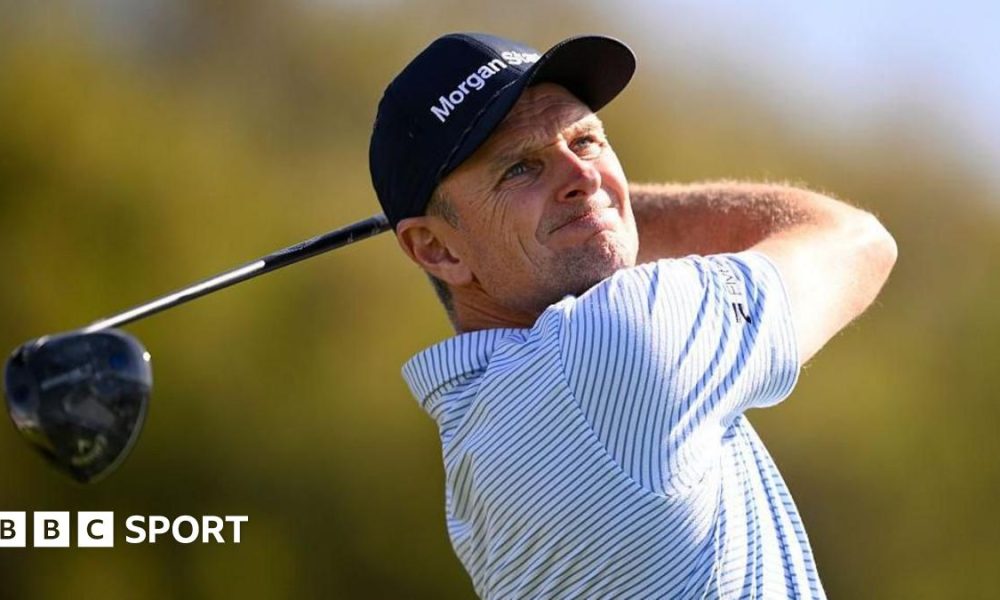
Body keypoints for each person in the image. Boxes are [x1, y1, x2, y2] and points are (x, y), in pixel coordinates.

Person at [369, 32, 896, 599]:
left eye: (587, 141)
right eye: (520, 168)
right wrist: (608, 205)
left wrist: (573, 205)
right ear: (436, 250)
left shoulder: (474, 452)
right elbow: (855, 241)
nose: (585, 174)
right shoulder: (613, 341)